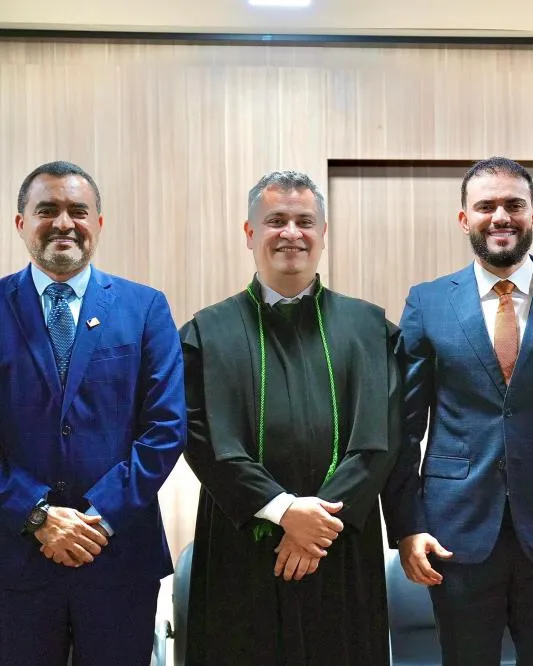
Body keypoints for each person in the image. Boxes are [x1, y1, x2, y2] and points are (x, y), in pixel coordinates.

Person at [384, 156, 533, 666]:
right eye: (486, 206)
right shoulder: (427, 302)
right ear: (464, 219)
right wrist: (407, 524)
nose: (501, 217)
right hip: (455, 532)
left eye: (514, 205)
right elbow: (402, 430)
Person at [180, 170, 402, 665]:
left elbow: (381, 437)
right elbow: (203, 439)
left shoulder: (370, 329)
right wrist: (282, 511)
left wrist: (316, 525)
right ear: (250, 233)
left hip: (338, 547)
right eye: (275, 220)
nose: (291, 233)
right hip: (243, 546)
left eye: (304, 221)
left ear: (324, 233)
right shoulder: (206, 334)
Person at [0, 161, 186, 665]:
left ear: (98, 223)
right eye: (47, 210)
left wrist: (98, 518)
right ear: (21, 223)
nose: (63, 223)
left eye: (77, 211)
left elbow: (166, 428)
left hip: (118, 557)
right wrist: (36, 515)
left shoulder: (145, 308)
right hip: (14, 559)